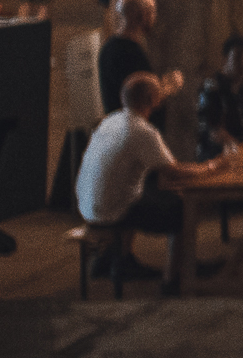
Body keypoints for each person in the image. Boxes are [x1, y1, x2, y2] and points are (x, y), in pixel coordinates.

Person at [77, 71, 225, 285]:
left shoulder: (111, 120)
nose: (163, 97)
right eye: (159, 94)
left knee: (150, 190)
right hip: (112, 210)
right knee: (184, 208)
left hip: (87, 206)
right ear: (151, 100)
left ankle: (113, 260)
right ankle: (173, 277)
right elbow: (174, 171)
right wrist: (212, 166)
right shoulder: (142, 130)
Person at [195, 37, 243, 158]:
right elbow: (215, 132)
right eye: (237, 57)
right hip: (219, 156)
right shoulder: (212, 88)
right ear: (225, 59)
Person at [98, 0, 158, 117]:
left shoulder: (108, 47)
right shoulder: (130, 53)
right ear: (142, 15)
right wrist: (169, 87)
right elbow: (140, 100)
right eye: (152, 12)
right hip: (133, 124)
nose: (154, 17)